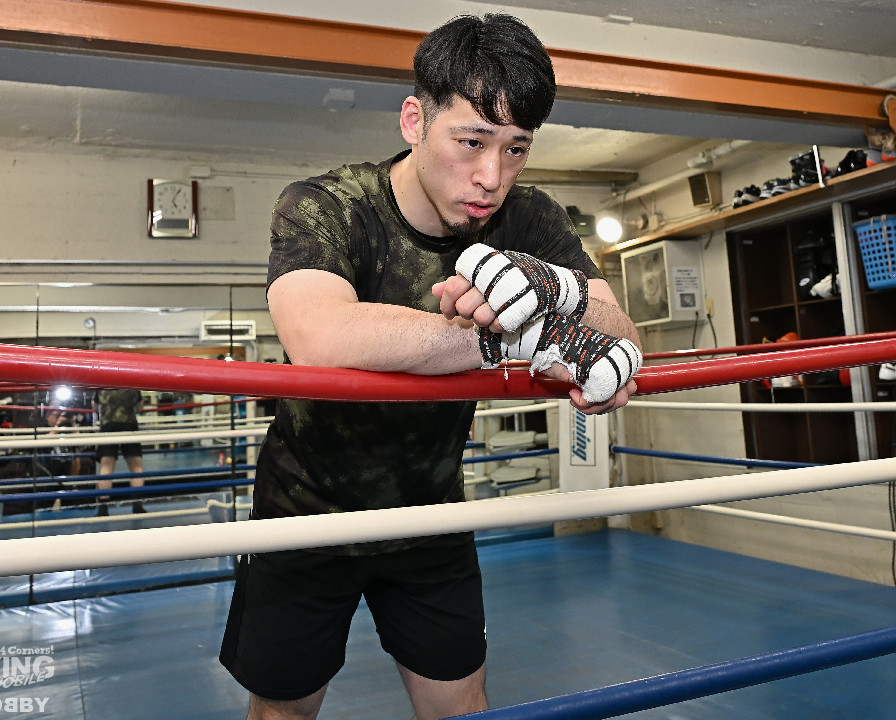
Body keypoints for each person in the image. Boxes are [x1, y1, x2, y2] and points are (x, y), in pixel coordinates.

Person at [220, 13, 642, 720]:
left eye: (515, 149)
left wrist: (555, 292)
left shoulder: (529, 219)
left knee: (462, 705)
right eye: (471, 142)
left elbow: (619, 330)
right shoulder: (328, 206)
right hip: (305, 515)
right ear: (414, 120)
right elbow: (318, 335)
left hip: (430, 514)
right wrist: (515, 341)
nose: (491, 176)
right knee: (283, 712)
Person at [93, 388, 146, 516]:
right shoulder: (132, 384)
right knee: (136, 467)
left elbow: (95, 407)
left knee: (106, 467)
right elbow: (140, 407)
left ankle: (103, 508)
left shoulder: (101, 384)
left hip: (108, 425)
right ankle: (137, 505)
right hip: (129, 425)